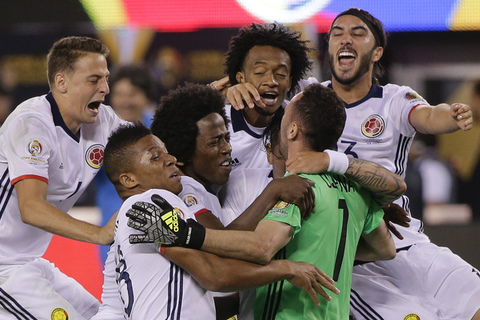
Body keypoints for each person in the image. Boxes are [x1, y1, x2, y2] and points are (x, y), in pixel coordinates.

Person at [129, 84, 403, 319]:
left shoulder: (298, 188)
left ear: (292, 130)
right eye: (217, 141)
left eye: (284, 119)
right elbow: (386, 249)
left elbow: (260, 247)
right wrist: (316, 246)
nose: (227, 147)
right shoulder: (356, 189)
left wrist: (183, 234)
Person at [281, 8, 480, 319]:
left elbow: (428, 115)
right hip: (353, 255)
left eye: (357, 33)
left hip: (408, 243)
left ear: (376, 53)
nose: (345, 39)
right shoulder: (305, 98)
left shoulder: (394, 99)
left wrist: (451, 114)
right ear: (330, 47)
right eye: (337, 33)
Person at [93, 122, 339, 319]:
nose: (170, 159)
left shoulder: (125, 232)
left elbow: (213, 253)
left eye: (166, 151)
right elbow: (214, 273)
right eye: (155, 157)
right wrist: (287, 269)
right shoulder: (152, 204)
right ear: (128, 180)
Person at [150, 82, 317, 318]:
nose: (227, 149)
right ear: (184, 152)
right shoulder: (185, 190)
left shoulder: (209, 191)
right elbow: (223, 249)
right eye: (214, 142)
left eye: (227, 138)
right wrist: (273, 191)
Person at [0, 36, 126, 319]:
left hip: (31, 263)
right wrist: (100, 233)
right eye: (94, 80)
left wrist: (204, 106)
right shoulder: (31, 122)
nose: (105, 88)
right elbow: (31, 207)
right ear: (61, 82)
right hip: (3, 268)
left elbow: (152, 147)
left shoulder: (103, 121)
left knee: (99, 314)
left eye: (106, 78)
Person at [94, 63, 158, 264]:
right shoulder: (96, 133)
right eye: (120, 94)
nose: (125, 101)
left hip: (159, 230)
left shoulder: (161, 130)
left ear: (146, 96)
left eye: (133, 93)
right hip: (113, 231)